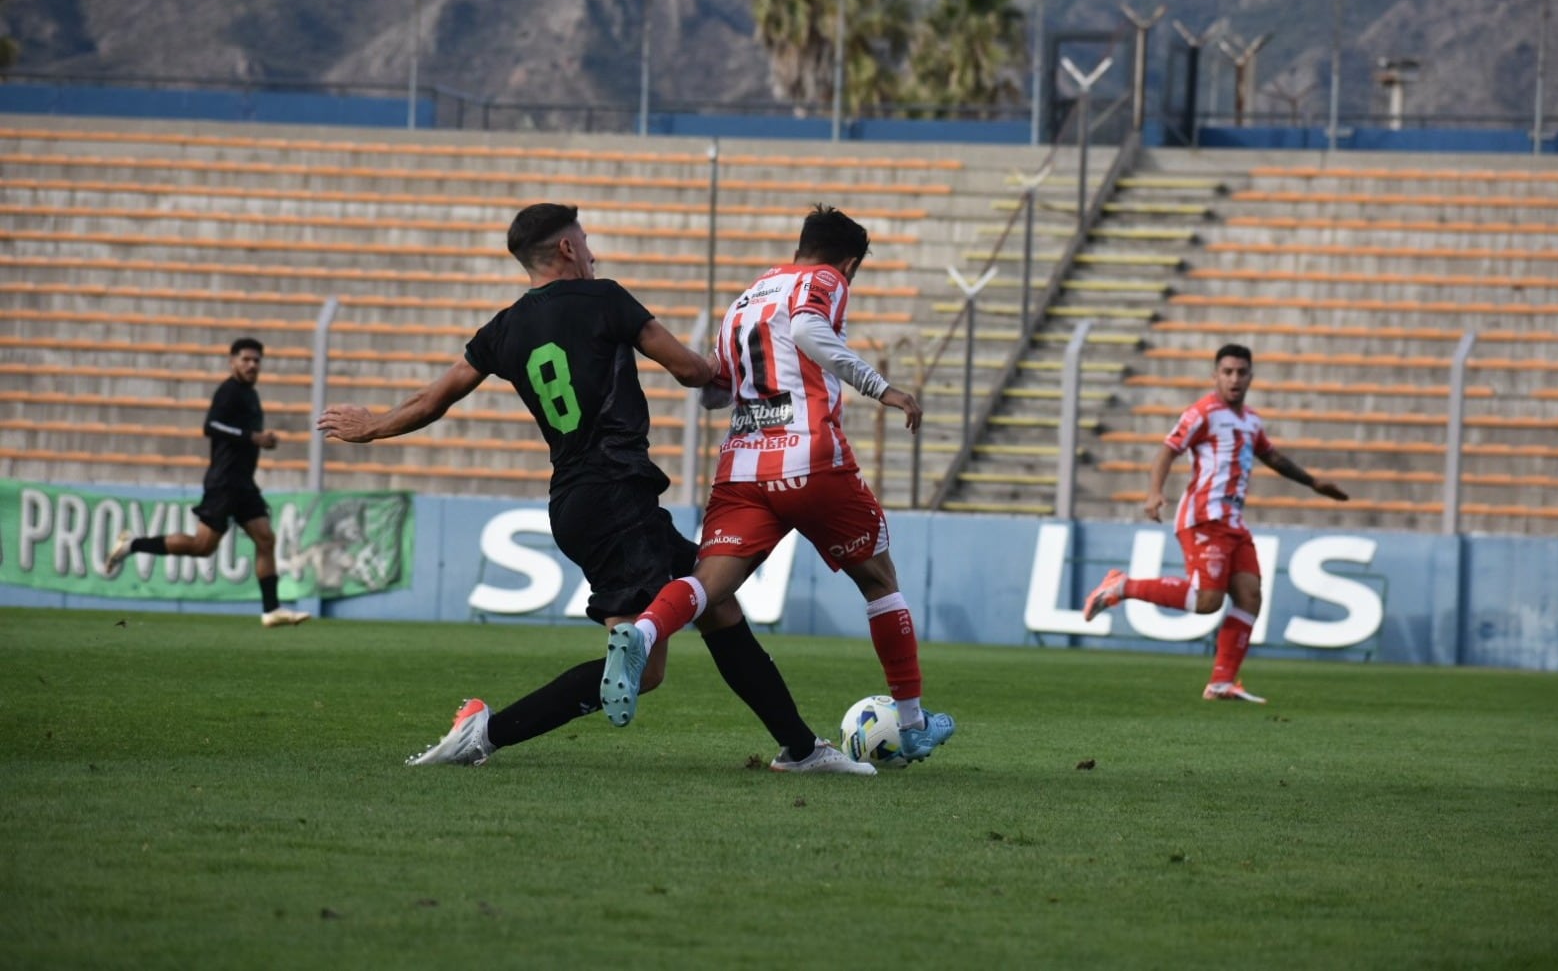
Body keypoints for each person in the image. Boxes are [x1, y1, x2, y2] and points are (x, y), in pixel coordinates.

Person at [316, 202, 871, 775]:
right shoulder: (604, 297)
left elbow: (431, 400)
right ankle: (484, 733)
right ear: (565, 249)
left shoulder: (502, 328)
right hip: (616, 497)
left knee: (717, 606)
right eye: (584, 240)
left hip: (580, 500)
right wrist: (748, 371)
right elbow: (687, 369)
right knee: (646, 667)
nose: (591, 250)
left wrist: (374, 425)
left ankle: (801, 749)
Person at [599, 204, 957, 765]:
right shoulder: (824, 279)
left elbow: (718, 385)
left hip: (743, 465)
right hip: (811, 459)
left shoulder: (747, 298)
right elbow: (810, 328)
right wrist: (881, 388)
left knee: (709, 584)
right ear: (850, 261)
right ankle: (911, 724)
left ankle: (644, 633)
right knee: (881, 582)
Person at [1082, 343, 1350, 703]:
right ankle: (1121, 586)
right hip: (1203, 518)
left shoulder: (1252, 421)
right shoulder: (1202, 413)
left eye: (1241, 372)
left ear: (1251, 376)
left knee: (1250, 595)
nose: (1234, 379)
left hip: (1233, 523)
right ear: (1215, 376)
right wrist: (1153, 493)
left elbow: (1273, 457)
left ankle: (1222, 682)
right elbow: (1167, 451)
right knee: (1206, 600)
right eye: (1227, 372)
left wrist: (1314, 483)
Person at [105, 338, 310, 628]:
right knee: (202, 547)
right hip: (224, 482)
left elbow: (242, 433)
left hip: (243, 483)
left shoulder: (250, 394)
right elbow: (210, 425)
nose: (252, 365)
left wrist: (262, 440)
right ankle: (132, 545)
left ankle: (271, 609)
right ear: (233, 361)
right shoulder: (228, 391)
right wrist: (252, 437)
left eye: (257, 360)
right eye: (246, 359)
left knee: (266, 538)